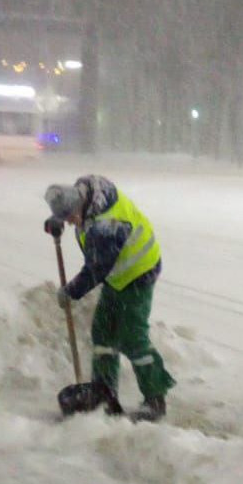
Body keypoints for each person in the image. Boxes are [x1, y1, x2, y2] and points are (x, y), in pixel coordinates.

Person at [44, 174, 175, 422]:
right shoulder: (85, 194)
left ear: (78, 206)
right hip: (117, 275)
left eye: (71, 218)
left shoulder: (106, 227)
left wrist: (71, 291)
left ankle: (155, 399)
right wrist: (57, 218)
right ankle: (104, 391)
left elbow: (96, 269)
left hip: (138, 272)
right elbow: (74, 213)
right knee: (103, 333)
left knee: (133, 337)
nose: (72, 224)